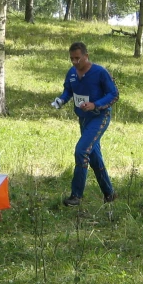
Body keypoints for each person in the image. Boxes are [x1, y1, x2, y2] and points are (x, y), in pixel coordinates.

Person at [51, 42, 118, 207]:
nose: (74, 62)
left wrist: (95, 104)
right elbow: (69, 90)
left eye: (77, 58)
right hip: (83, 120)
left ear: (86, 56)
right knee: (94, 156)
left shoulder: (100, 72)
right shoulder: (72, 73)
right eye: (71, 59)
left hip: (99, 117)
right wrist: (61, 100)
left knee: (81, 151)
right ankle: (110, 194)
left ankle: (76, 196)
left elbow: (114, 94)